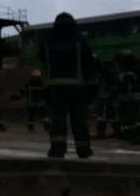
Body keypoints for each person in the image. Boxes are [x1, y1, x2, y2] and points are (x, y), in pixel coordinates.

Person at [40, 12, 97, 158]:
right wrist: (91, 88)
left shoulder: (47, 42)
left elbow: (42, 62)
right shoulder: (80, 41)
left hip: (55, 88)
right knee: (79, 120)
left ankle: (57, 149)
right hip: (77, 88)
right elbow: (89, 65)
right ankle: (83, 149)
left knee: (57, 119)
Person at [114, 50, 140, 144]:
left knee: (133, 118)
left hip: (131, 98)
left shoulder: (126, 73)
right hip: (132, 97)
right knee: (135, 118)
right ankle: (136, 136)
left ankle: (136, 136)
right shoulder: (136, 69)